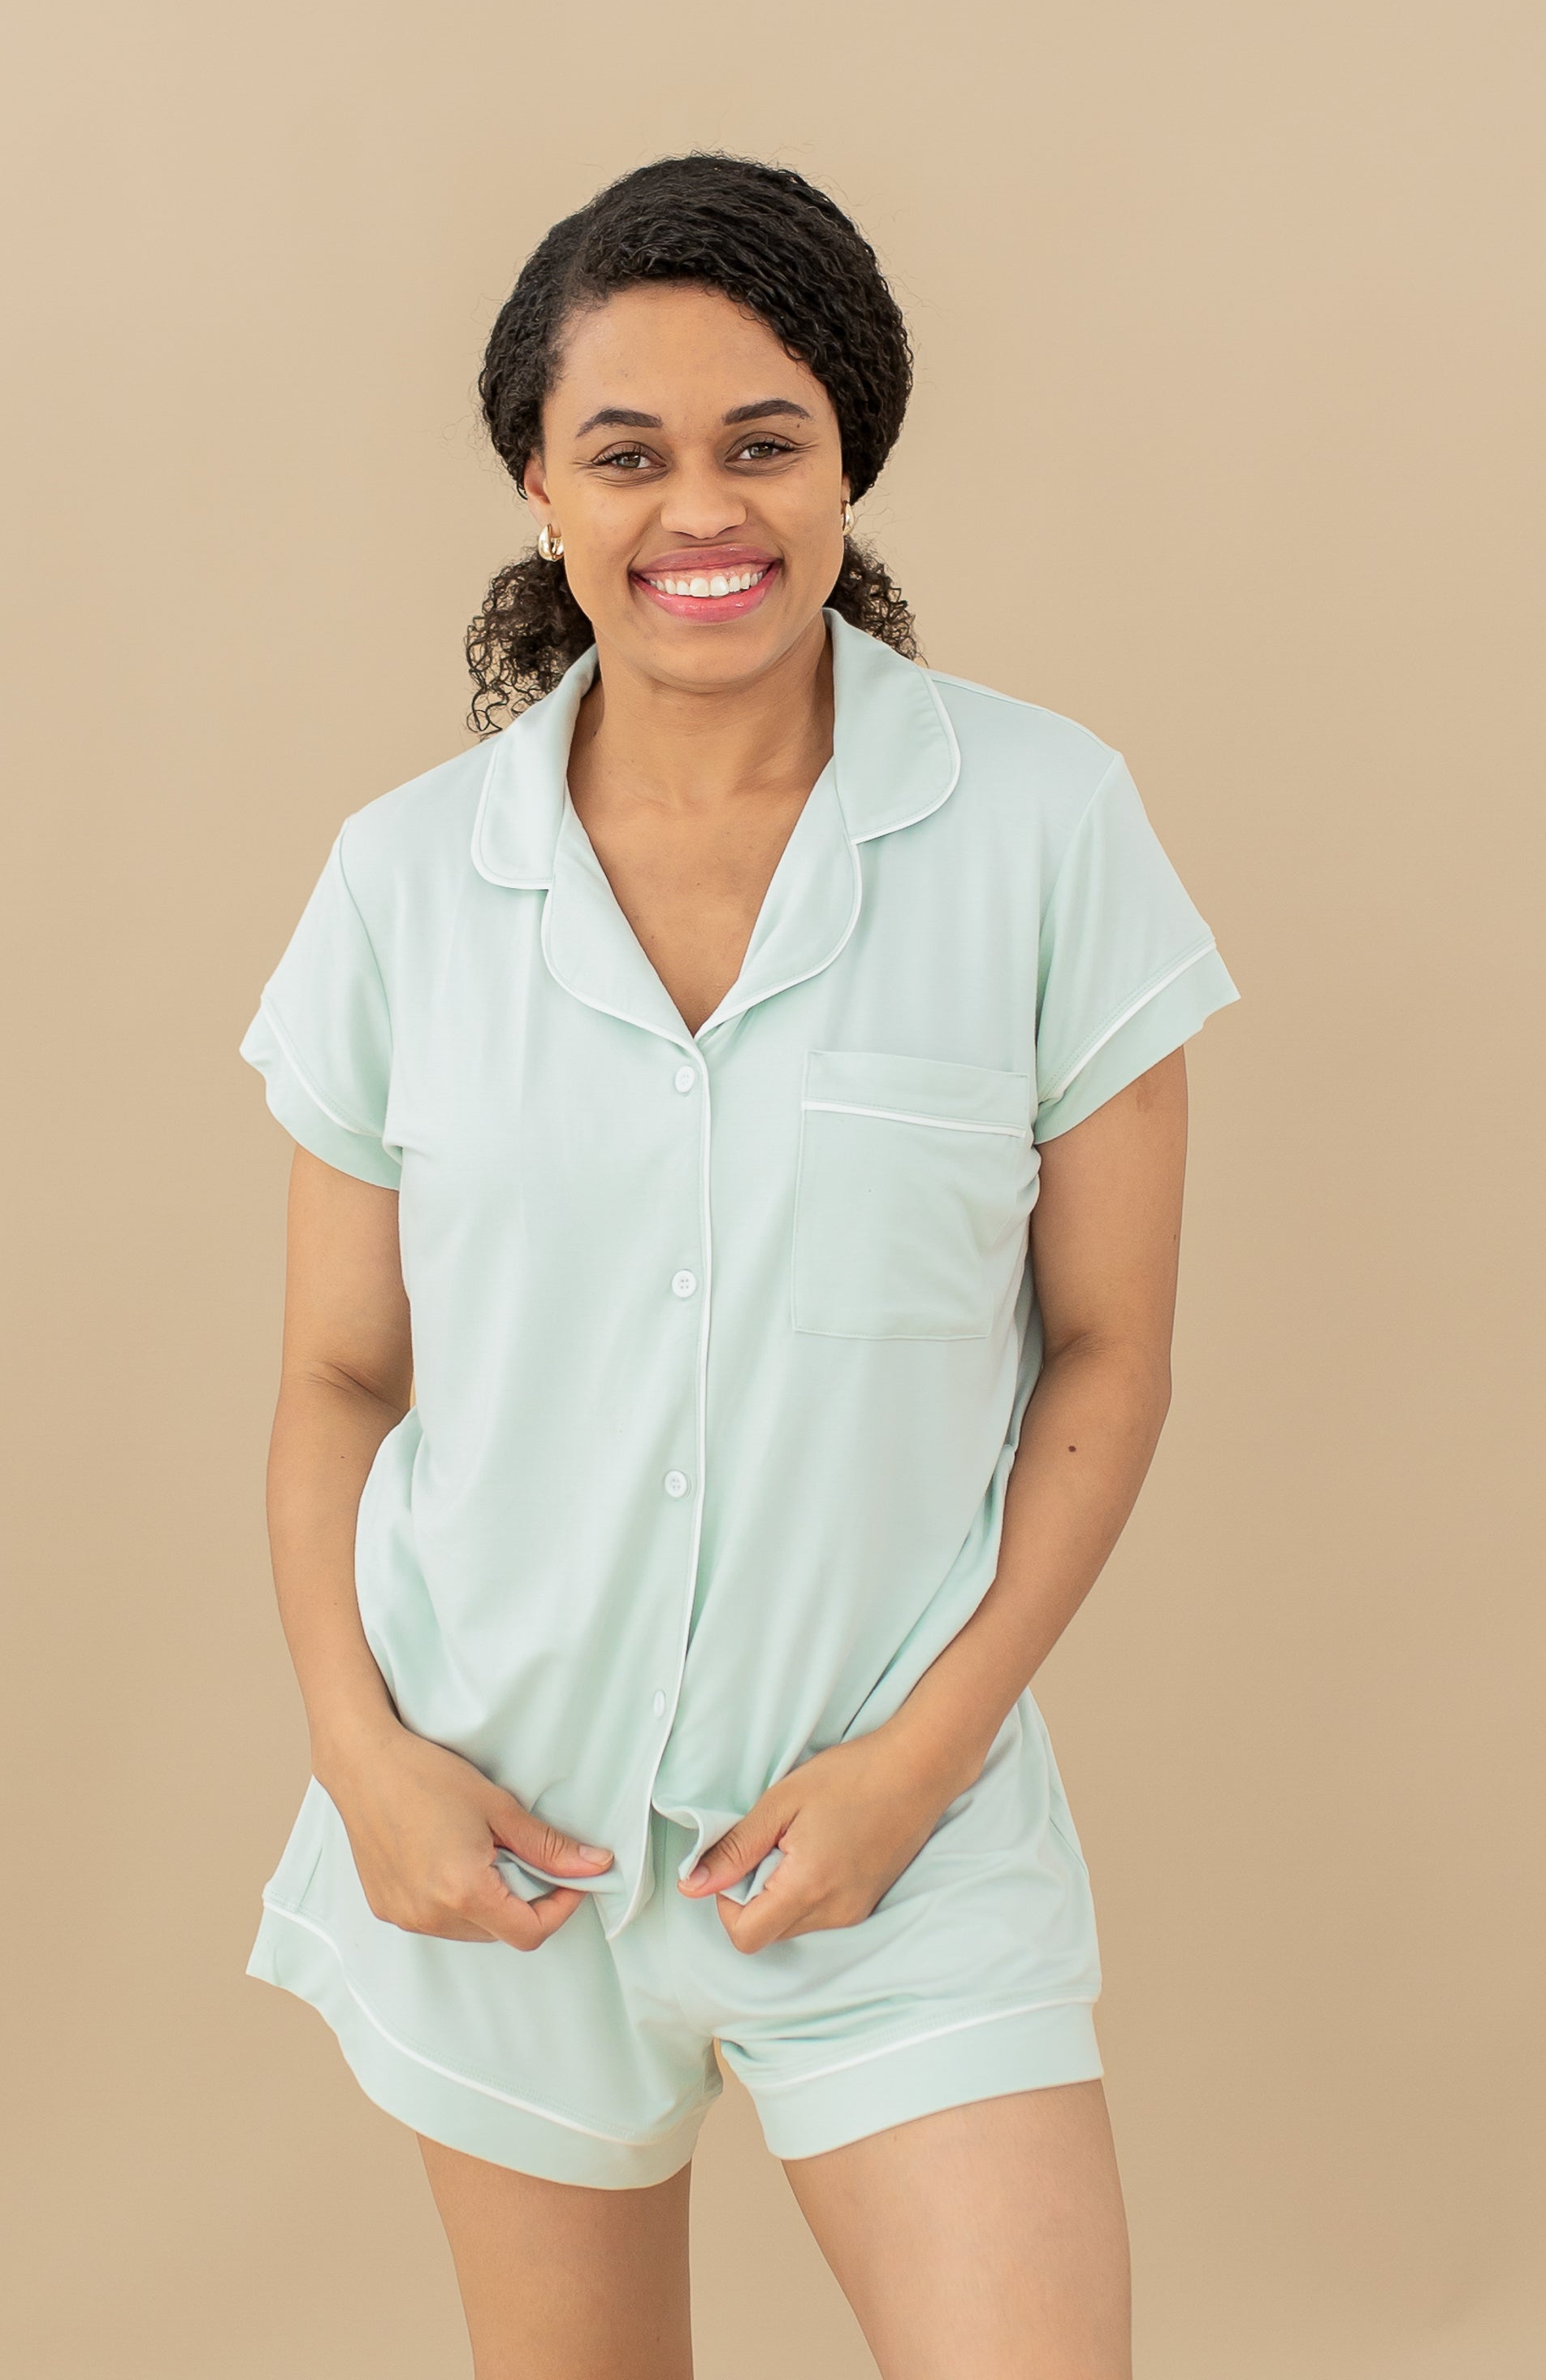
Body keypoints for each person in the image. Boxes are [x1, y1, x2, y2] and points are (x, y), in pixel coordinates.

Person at [237, 152, 1238, 2380]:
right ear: (539, 488)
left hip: (899, 1821)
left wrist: (916, 1766)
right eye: (628, 453)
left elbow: (1109, 1352)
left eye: (762, 441)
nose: (703, 509)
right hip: (501, 1830)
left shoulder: (1043, 827)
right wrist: (363, 1757)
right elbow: (335, 1380)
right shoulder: (404, 885)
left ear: (847, 457)